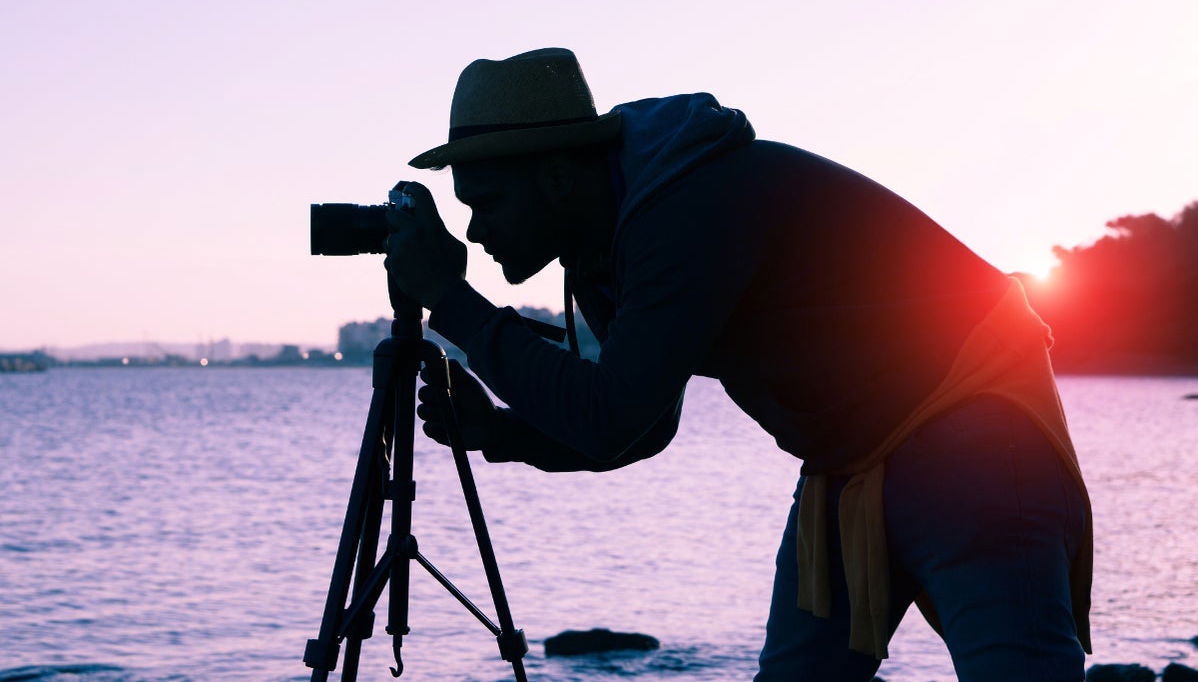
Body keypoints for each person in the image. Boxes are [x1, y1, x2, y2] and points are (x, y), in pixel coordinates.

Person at [383, 47, 1093, 681]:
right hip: (850, 465)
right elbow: (642, 426)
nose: (476, 231)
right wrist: (500, 433)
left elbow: (609, 421)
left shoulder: (682, 207)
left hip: (973, 438)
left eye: (489, 203)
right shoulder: (611, 235)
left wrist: (448, 296)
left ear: (559, 178)